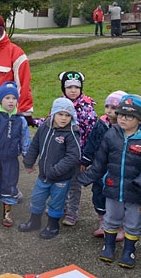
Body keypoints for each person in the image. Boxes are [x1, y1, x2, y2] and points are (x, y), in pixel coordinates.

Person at [78, 94, 141, 269]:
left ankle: (129, 251)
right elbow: (101, 161)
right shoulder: (111, 134)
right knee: (111, 218)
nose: (123, 118)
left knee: (133, 222)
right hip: (112, 187)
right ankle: (108, 246)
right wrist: (86, 177)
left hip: (136, 190)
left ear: (139, 119)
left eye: (130, 116)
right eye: (121, 114)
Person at [18, 98, 81, 239]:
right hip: (44, 175)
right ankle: (34, 221)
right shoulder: (45, 127)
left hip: (61, 178)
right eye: (60, 114)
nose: (64, 118)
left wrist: (56, 170)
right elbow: (35, 145)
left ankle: (53, 226)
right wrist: (29, 162)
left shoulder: (71, 133)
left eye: (67, 115)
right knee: (37, 199)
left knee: (56, 203)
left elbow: (73, 156)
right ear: (53, 114)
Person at [0, 81, 31, 227]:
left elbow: (25, 139)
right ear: (0, 99)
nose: (11, 101)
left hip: (11, 160)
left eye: (14, 98)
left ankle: (7, 213)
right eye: (7, 98)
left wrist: (28, 160)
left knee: (9, 185)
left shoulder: (20, 120)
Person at [80, 90, 127, 238]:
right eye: (107, 107)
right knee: (98, 193)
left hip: (117, 169)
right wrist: (85, 160)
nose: (109, 111)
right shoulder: (101, 124)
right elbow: (92, 142)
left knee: (116, 197)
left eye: (114, 108)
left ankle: (119, 227)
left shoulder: (125, 128)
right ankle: (103, 223)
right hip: (100, 167)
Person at [56, 71, 97, 227]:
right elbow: (50, 124)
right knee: (60, 181)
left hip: (78, 155)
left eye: (76, 87)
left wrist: (86, 157)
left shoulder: (87, 108)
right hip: (60, 153)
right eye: (69, 87)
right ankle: (61, 205)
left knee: (74, 184)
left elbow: (92, 135)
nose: (73, 90)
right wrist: (34, 121)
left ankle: (72, 211)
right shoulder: (59, 104)